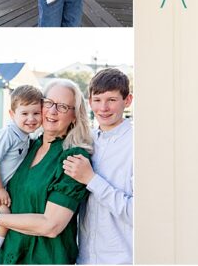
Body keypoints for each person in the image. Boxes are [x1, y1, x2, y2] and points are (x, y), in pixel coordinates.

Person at [0, 79, 94, 265]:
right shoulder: (27, 147)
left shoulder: (72, 158)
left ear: (74, 116)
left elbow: (51, 226)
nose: (53, 111)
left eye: (63, 106)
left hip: (44, 257)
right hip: (8, 255)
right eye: (48, 103)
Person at [64, 68, 134, 265]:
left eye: (111, 100)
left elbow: (139, 214)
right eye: (97, 100)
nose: (103, 108)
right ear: (89, 101)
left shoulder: (138, 144)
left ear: (127, 101)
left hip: (122, 260)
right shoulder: (85, 140)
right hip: (84, 259)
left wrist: (91, 179)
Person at [0, 85, 45, 264]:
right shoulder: (7, 135)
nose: (31, 118)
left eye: (36, 113)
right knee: (4, 215)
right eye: (24, 114)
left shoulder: (25, 136)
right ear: (12, 113)